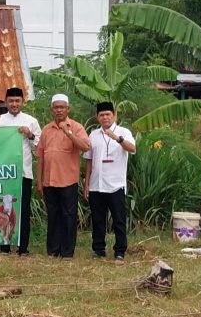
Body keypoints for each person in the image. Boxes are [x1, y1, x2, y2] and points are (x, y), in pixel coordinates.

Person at [35, 94, 90, 258]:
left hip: (68, 181)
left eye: (62, 107)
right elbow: (41, 157)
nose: (59, 110)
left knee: (68, 216)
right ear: (52, 110)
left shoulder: (76, 127)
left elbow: (86, 147)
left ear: (68, 109)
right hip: (49, 181)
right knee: (53, 216)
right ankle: (53, 250)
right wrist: (39, 182)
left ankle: (67, 252)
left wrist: (69, 133)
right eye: (56, 107)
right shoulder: (46, 129)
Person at [84, 101, 136, 261]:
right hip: (96, 185)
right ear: (97, 117)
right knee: (98, 219)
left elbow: (132, 148)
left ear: (114, 115)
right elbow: (88, 160)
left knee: (118, 219)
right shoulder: (93, 134)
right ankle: (98, 249)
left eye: (108, 114)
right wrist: (86, 184)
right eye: (101, 115)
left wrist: (117, 139)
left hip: (116, 185)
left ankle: (120, 251)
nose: (105, 117)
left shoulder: (123, 132)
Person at [0, 87, 41, 256]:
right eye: (11, 101)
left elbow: (39, 148)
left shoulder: (31, 121)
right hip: (4, 173)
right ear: (5, 102)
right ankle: (4, 245)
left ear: (23, 102)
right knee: (3, 211)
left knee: (23, 211)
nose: (14, 104)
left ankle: (23, 248)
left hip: (24, 173)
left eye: (17, 101)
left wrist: (29, 135)